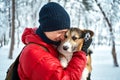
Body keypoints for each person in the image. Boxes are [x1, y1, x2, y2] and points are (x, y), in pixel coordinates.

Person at [18, 2, 92, 80]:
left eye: (65, 33)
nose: (63, 37)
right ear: (47, 28)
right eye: (60, 32)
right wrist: (81, 54)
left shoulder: (51, 44)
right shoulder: (35, 54)